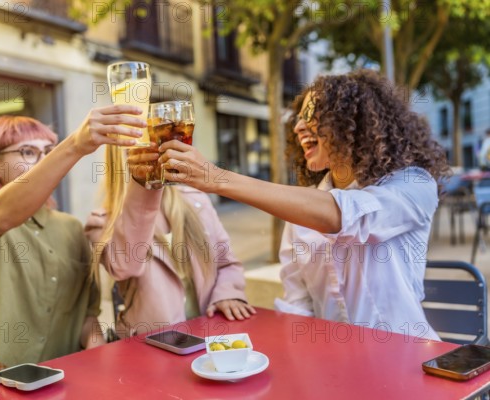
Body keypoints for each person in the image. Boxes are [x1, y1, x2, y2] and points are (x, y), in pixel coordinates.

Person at [158, 69, 450, 340]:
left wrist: (217, 178)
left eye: (311, 115)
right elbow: (299, 305)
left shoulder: (414, 184)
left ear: (352, 123)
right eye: (298, 117)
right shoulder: (300, 210)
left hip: (403, 357)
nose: (298, 126)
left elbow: (345, 215)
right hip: (334, 367)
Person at [0, 106, 145, 399]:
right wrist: (73, 146)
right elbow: (2, 215)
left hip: (56, 375)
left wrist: (99, 359)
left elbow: (87, 319)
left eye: (49, 152)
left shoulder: (71, 228)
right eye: (29, 152)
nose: (45, 161)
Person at [85, 143, 256, 338]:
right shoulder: (103, 222)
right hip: (152, 347)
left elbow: (227, 263)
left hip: (210, 337)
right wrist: (144, 183)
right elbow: (126, 267)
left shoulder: (196, 201)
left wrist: (227, 293)